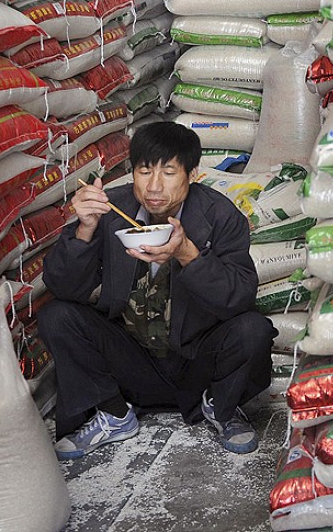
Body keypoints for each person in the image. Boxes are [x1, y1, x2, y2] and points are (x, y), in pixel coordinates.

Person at [39, 121, 276, 459]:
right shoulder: (111, 212)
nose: (153, 186)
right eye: (144, 171)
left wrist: (187, 255)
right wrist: (85, 231)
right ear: (131, 172)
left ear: (192, 174)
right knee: (57, 316)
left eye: (168, 172)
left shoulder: (221, 215)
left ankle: (221, 407)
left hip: (197, 362)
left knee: (254, 329)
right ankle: (114, 413)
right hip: (133, 360)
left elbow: (239, 297)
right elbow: (63, 286)